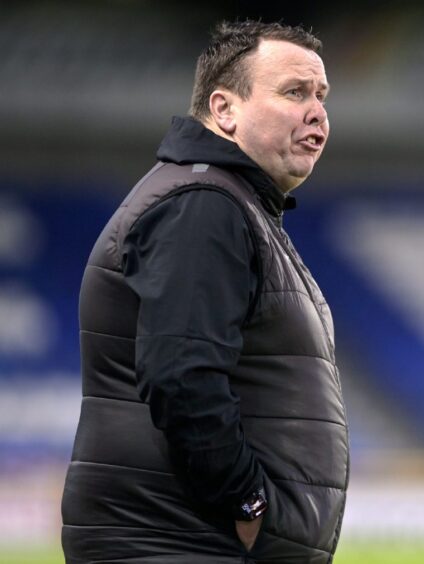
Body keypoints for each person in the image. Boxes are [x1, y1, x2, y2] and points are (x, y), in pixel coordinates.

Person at [61, 20, 349, 564]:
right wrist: (249, 506)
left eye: (321, 96)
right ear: (224, 109)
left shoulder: (228, 202)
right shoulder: (203, 204)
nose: (317, 112)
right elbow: (182, 373)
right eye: (294, 92)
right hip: (178, 542)